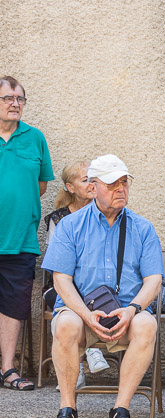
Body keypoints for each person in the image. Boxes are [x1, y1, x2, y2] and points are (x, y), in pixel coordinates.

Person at [41, 154, 163, 418]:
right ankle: (68, 408)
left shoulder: (142, 228)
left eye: (124, 182)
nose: (121, 189)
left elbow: (154, 280)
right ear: (93, 187)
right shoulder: (70, 226)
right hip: (80, 312)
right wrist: (85, 314)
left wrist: (132, 309)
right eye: (112, 184)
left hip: (126, 313)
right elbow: (61, 281)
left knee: (147, 324)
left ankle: (121, 410)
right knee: (66, 323)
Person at [0, 75, 53, 392]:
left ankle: (7, 369)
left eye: (20, 99)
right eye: (8, 98)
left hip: (20, 240)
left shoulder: (35, 138)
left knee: (13, 306)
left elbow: (42, 185)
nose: (15, 104)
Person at [43, 161, 108, 389]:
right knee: (68, 303)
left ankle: (79, 363)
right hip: (61, 286)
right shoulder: (58, 219)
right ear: (70, 187)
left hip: (94, 287)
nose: (92, 184)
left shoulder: (107, 215)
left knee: (92, 298)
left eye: (94, 179)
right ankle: (84, 358)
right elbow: (58, 265)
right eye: (85, 180)